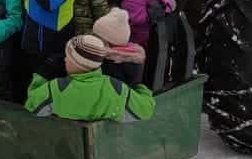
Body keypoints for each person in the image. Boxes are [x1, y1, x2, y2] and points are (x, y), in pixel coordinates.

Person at [25, 35, 156, 122]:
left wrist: (43, 75)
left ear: (79, 64)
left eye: (69, 58)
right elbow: (146, 109)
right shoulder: (116, 89)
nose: (65, 59)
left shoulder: (56, 89)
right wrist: (139, 87)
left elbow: (32, 105)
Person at [93, 8, 146, 85]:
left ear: (110, 41)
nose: (93, 40)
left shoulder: (113, 65)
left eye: (97, 37)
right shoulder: (132, 57)